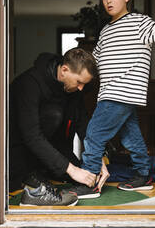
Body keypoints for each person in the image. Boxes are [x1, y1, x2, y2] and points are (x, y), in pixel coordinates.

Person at [67, 0, 155, 198]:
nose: (108, 1)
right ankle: (143, 174)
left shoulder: (139, 22)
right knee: (131, 136)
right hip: (112, 93)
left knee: (94, 135)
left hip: (120, 92)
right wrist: (75, 69)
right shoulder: (106, 30)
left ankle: (90, 181)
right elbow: (94, 60)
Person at [9, 48, 99, 202]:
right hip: (19, 152)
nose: (81, 88)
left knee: (87, 177)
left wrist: (98, 159)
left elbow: (83, 124)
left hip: (55, 150)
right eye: (79, 82)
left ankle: (48, 171)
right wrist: (71, 169)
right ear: (64, 70)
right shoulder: (29, 84)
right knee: (54, 114)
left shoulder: (74, 89)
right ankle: (32, 176)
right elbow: (32, 136)